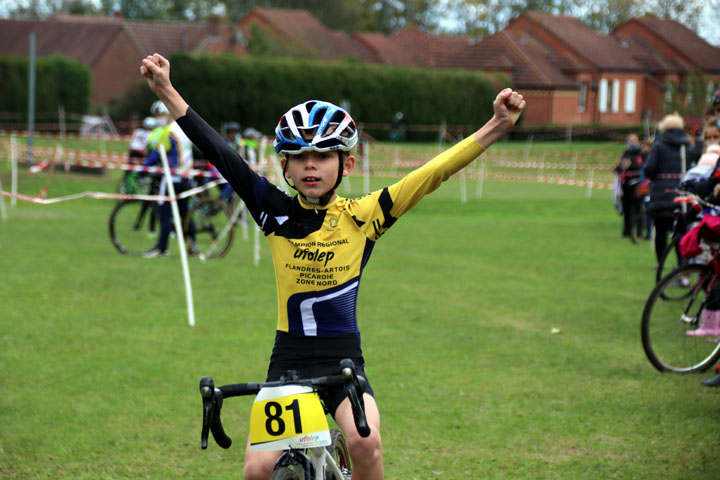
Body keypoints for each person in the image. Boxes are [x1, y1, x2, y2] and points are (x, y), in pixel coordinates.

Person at [140, 52, 525, 479]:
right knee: (256, 470)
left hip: (344, 362)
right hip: (288, 362)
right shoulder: (273, 211)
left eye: (323, 156)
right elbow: (219, 151)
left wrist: (497, 125)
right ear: (283, 165)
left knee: (366, 445)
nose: (310, 165)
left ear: (347, 164)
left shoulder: (364, 215)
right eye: (299, 156)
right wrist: (166, 91)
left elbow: (433, 172)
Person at [141, 100, 196, 258]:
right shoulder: (183, 129)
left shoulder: (168, 131)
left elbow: (158, 154)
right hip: (187, 177)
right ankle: (193, 246)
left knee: (165, 213)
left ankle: (162, 248)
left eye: (159, 115)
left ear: (166, 114)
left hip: (172, 178)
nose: (157, 118)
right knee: (185, 214)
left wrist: (141, 170)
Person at [644, 113, 689, 267]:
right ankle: (681, 264)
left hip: (661, 194)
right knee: (679, 232)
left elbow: (649, 169)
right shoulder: (686, 146)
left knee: (661, 232)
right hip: (681, 194)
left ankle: (660, 263)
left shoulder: (659, 146)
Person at [614, 133, 644, 242]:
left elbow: (642, 167)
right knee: (626, 209)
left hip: (637, 184)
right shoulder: (625, 153)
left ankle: (639, 232)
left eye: (633, 140)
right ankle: (626, 231)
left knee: (637, 209)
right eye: (630, 140)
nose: (631, 143)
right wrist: (620, 166)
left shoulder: (641, 153)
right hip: (625, 185)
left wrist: (630, 165)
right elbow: (620, 168)